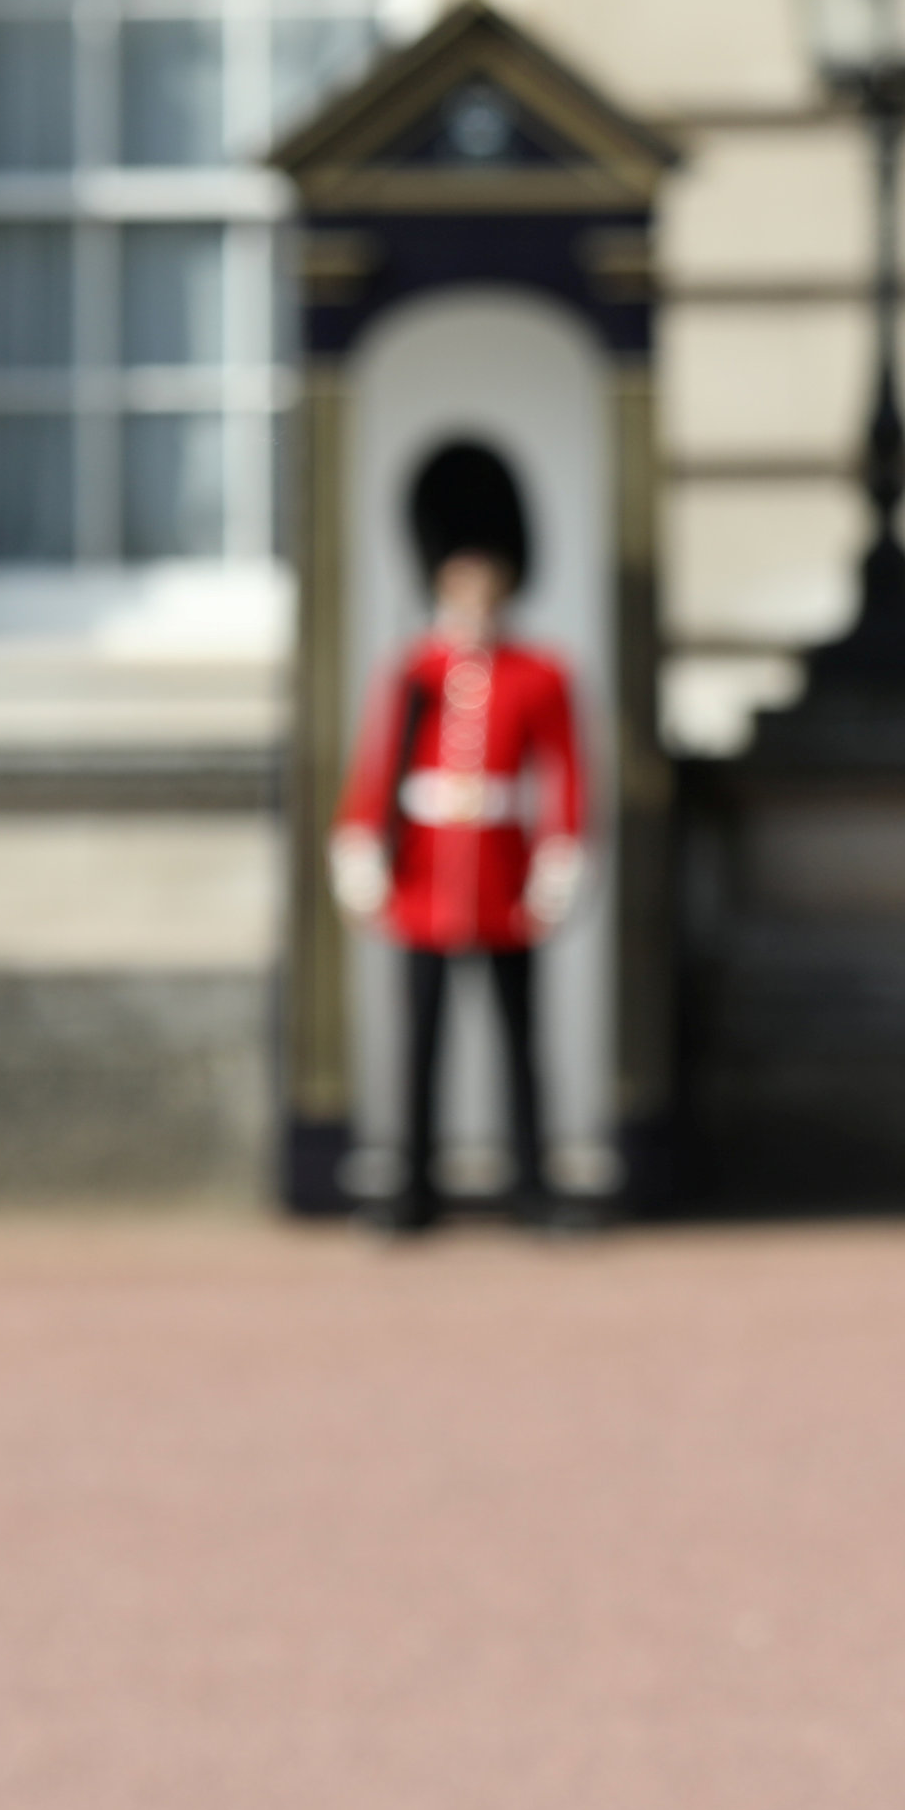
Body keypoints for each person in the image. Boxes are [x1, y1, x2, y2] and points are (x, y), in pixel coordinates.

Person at [329, 440, 585, 1231]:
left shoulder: (539, 674)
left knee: (520, 1043)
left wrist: (561, 855)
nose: (471, 590)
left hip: (502, 878)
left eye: (484, 575)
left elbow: (566, 774)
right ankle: (413, 1189)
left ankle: (532, 1184)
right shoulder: (415, 672)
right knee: (422, 1045)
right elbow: (380, 767)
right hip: (429, 879)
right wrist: (359, 842)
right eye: (458, 575)